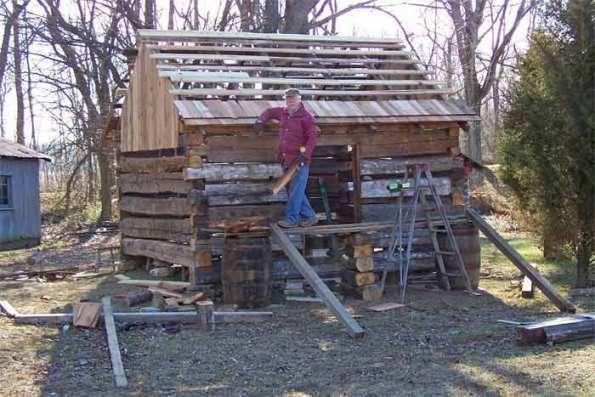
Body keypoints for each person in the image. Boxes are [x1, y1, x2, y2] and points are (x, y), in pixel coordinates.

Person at [253, 88, 319, 228]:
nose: (290, 101)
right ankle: (310, 216)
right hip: (285, 159)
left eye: (293, 98)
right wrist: (260, 121)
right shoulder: (283, 112)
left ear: (299, 99)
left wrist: (305, 154)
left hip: (299, 161)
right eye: (288, 98)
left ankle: (292, 219)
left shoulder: (306, 117)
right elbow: (269, 112)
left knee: (295, 191)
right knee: (293, 190)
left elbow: (312, 138)